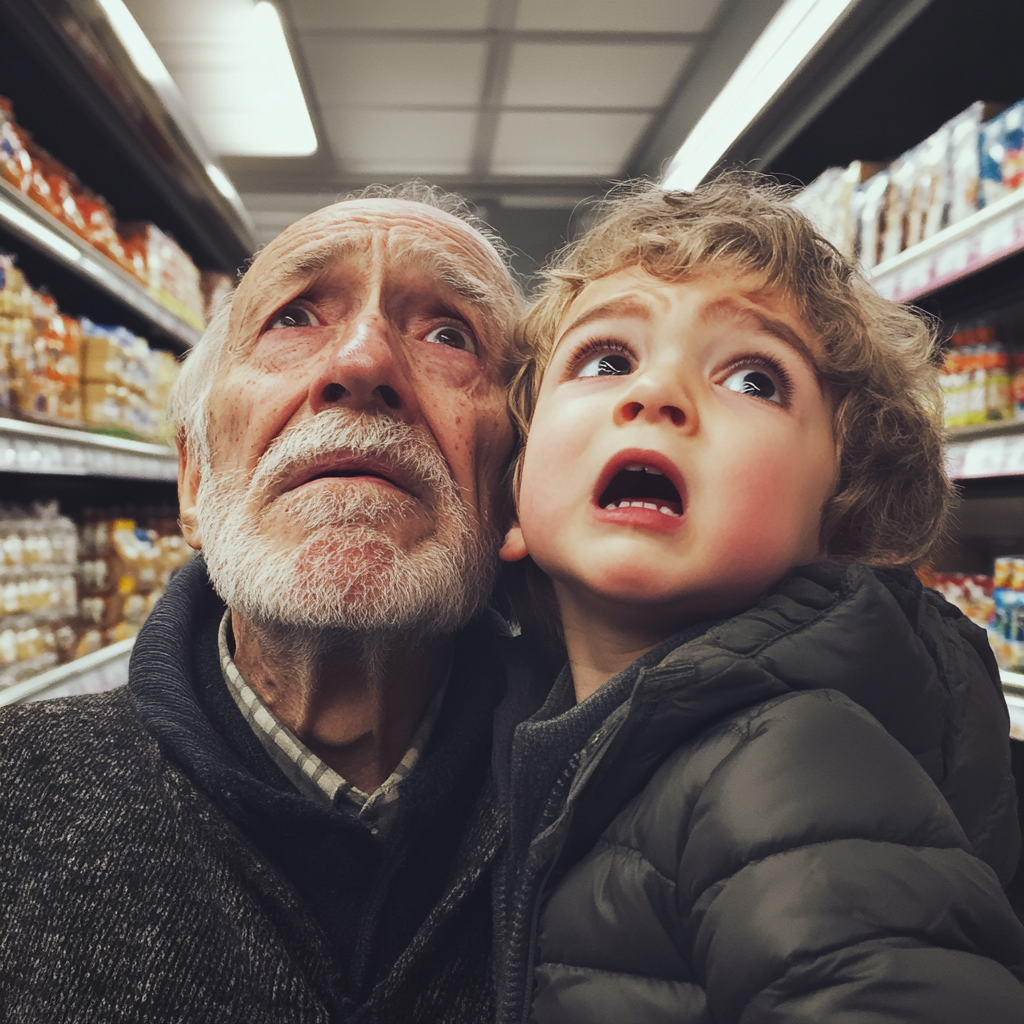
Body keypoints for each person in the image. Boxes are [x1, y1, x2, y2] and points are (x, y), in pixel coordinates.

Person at [492, 178, 1024, 1023]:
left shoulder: (796, 768)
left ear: (843, 517)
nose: (656, 392)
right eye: (605, 359)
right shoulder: (571, 732)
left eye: (754, 380)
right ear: (510, 496)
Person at [0, 185, 523, 1022]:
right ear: (195, 479)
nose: (362, 363)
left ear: (517, 489)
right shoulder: (13, 804)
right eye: (293, 317)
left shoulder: (627, 819)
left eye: (448, 333)